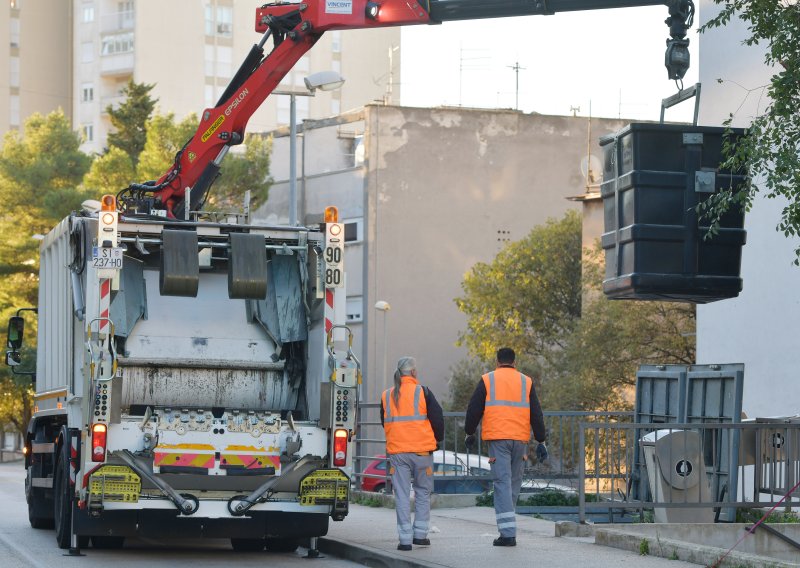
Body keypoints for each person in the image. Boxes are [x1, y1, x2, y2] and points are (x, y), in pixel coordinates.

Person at [464, 347, 547, 547]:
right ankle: (508, 526)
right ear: (514, 362)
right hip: (520, 440)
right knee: (513, 483)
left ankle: (508, 533)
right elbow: (536, 413)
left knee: (502, 483)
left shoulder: (488, 379)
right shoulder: (526, 381)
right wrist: (541, 440)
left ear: (497, 361)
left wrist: (470, 432)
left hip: (498, 439)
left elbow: (474, 408)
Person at [381, 356, 444, 551]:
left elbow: (384, 422)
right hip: (422, 452)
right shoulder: (423, 392)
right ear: (413, 372)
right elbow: (438, 419)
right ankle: (420, 536)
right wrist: (437, 441)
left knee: (401, 494)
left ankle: (405, 540)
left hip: (398, 453)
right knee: (422, 492)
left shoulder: (386, 395)